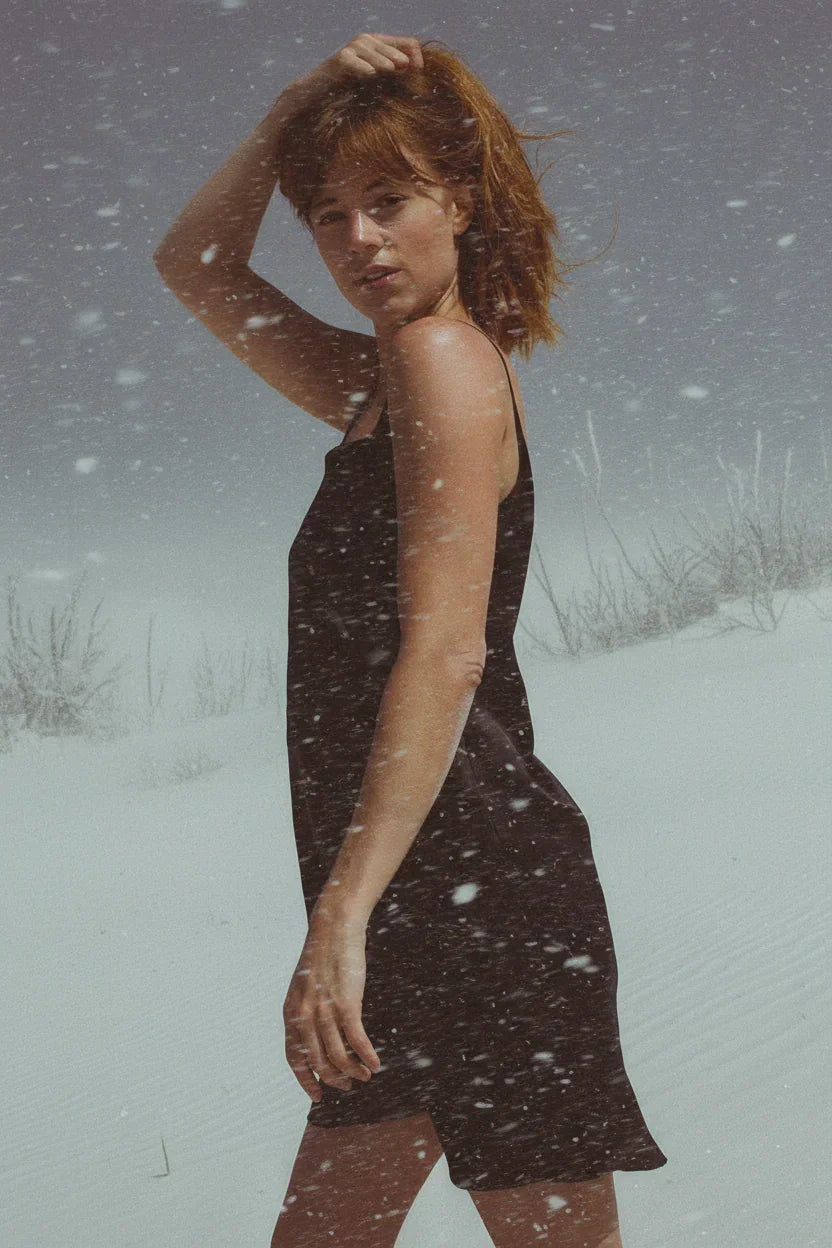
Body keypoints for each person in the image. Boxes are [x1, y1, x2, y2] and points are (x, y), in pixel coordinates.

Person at [153, 32, 667, 1247]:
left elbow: (445, 654)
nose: (359, 241)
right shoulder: (375, 382)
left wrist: (338, 920)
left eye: (389, 201)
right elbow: (195, 263)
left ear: (461, 203)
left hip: (470, 889)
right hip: (428, 890)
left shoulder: (441, 362)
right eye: (328, 216)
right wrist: (294, 107)